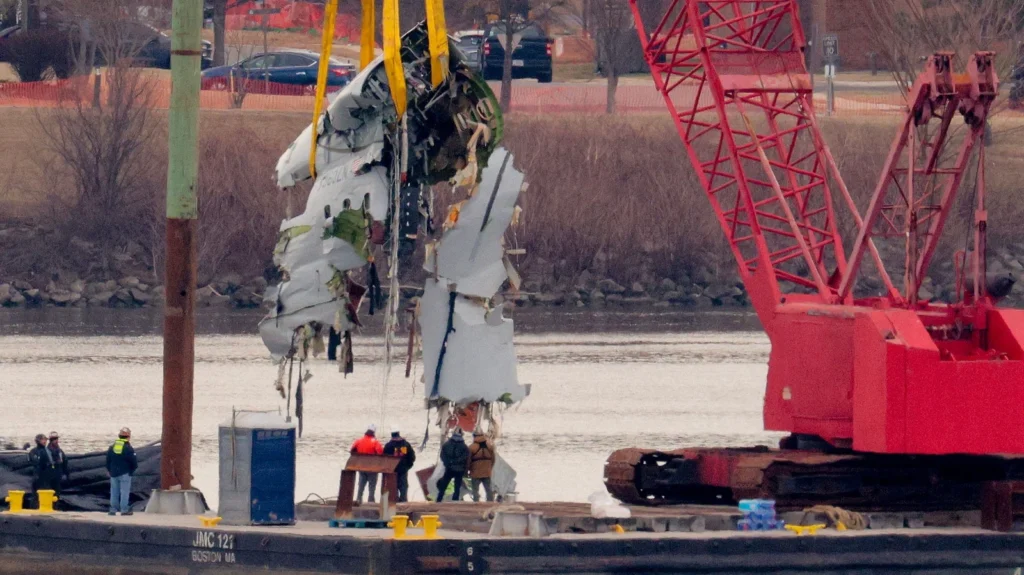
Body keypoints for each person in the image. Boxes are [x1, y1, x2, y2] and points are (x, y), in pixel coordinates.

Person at [105, 427, 138, 516]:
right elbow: (134, 462)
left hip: (113, 473)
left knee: (114, 492)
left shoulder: (112, 447)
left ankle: (113, 510)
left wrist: (109, 470)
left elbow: (108, 460)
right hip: (125, 473)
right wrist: (131, 471)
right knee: (124, 492)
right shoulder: (128, 448)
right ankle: (124, 510)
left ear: (119, 436)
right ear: (128, 437)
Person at [350, 424, 383, 504]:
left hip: (361, 467)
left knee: (361, 486)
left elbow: (352, 451)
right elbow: (380, 453)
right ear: (374, 432)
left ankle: (358, 501)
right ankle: (371, 502)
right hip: (372, 468)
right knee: (372, 488)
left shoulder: (359, 441)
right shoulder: (375, 442)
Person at [383, 427, 416, 503]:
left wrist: (387, 468)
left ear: (392, 434)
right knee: (403, 486)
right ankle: (404, 501)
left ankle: (394, 501)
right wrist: (408, 466)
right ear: (398, 433)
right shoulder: (406, 444)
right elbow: (412, 457)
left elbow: (384, 458)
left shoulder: (388, 445)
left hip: (392, 470)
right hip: (403, 469)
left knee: (393, 486)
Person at [436, 429, 470, 502]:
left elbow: (442, 456)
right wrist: (463, 466)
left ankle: (439, 498)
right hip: (459, 469)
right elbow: (465, 457)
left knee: (444, 484)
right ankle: (455, 500)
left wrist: (447, 463)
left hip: (449, 468)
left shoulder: (446, 444)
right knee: (457, 486)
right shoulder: (464, 446)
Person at [468, 430, 496, 502]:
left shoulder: (471, 447)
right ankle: (490, 503)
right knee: (488, 489)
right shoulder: (490, 446)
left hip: (475, 472)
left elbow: (468, 461)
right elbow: (493, 459)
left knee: (475, 490)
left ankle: (476, 503)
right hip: (487, 472)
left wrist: (468, 470)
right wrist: (489, 468)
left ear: (474, 436)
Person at [28, 434, 57, 501]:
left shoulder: (48, 450)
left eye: (45, 440)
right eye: (43, 440)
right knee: (36, 496)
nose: (45, 441)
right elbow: (35, 462)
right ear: (38, 441)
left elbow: (53, 462)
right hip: (38, 476)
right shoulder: (33, 451)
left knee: (48, 494)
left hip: (47, 477)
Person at [46, 431, 70, 495]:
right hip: (50, 475)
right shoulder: (47, 451)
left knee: (57, 491)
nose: (56, 441)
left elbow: (65, 461)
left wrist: (66, 474)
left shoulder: (59, 451)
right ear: (51, 440)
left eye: (57, 439)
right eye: (54, 439)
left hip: (58, 474)